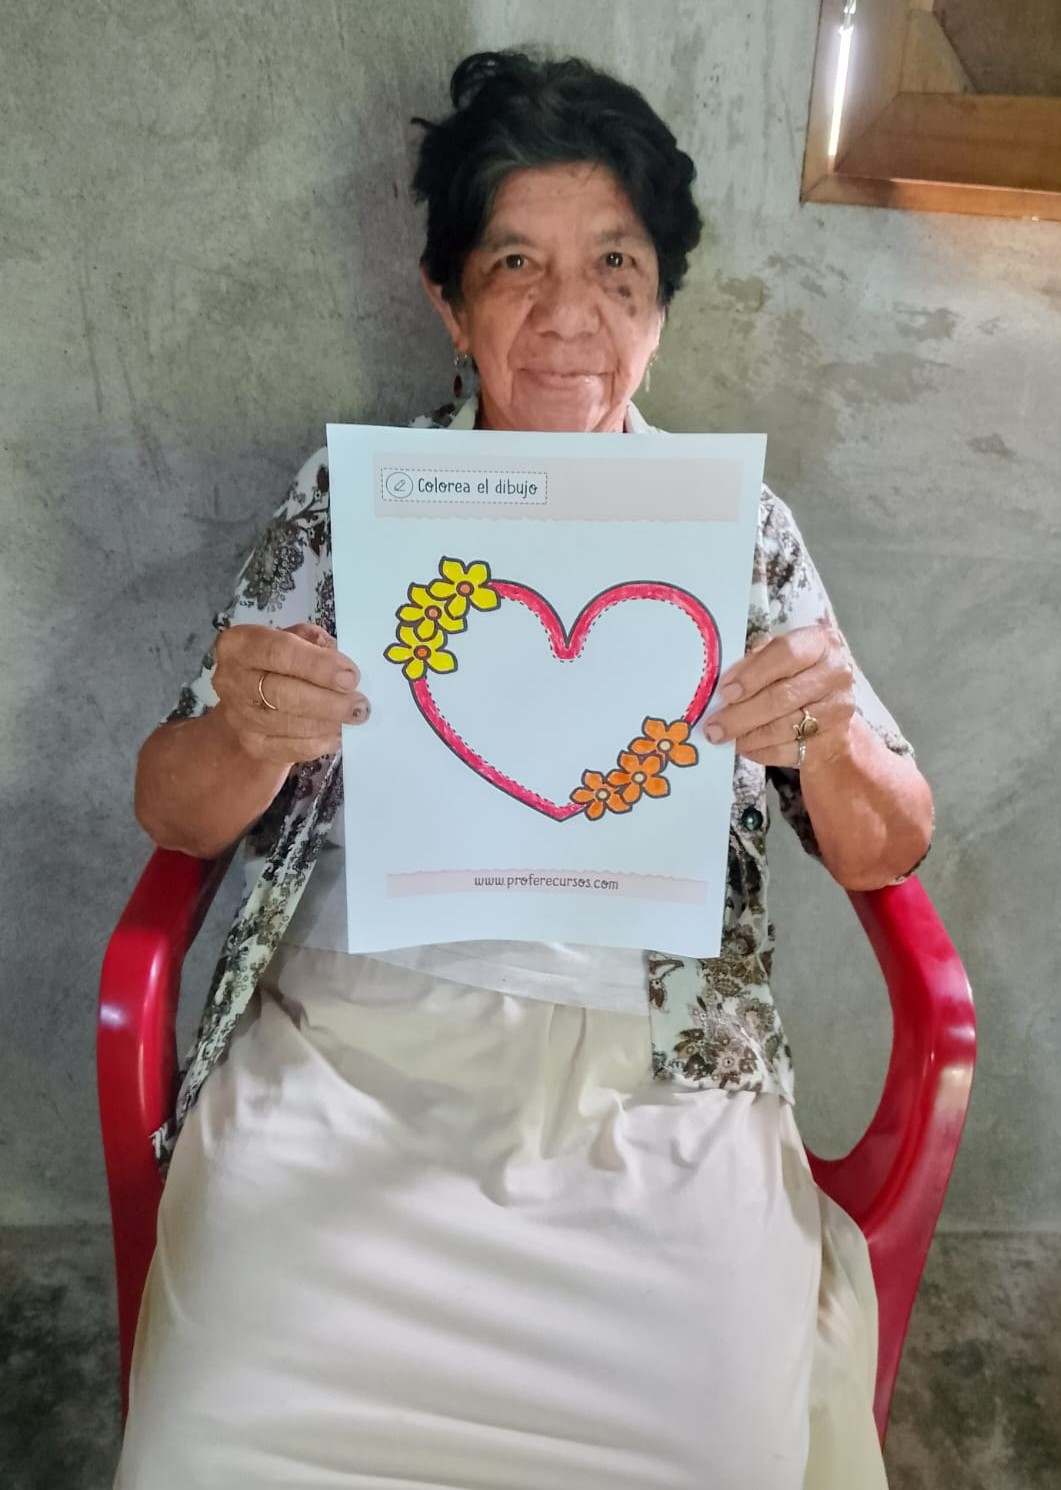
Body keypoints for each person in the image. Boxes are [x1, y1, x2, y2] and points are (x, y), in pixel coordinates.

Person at [116, 50, 933, 1490]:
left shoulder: (734, 533)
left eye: (616, 266)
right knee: (216, 1431)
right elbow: (169, 809)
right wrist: (244, 733)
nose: (567, 314)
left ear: (661, 307)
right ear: (449, 300)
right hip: (350, 1043)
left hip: (656, 1075)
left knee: (711, 1441)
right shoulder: (351, 506)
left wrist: (830, 741)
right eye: (514, 263)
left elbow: (890, 844)